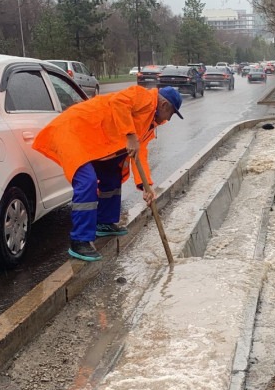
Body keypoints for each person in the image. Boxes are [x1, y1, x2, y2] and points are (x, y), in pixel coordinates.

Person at [32, 85, 184, 261]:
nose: (169, 119)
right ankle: (79, 241)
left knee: (113, 172)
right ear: (164, 105)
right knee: (87, 182)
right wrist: (130, 135)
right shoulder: (143, 96)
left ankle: (104, 222)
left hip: (92, 140)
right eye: (172, 113)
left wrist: (146, 186)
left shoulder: (150, 122)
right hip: (73, 132)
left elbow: (139, 153)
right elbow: (118, 102)